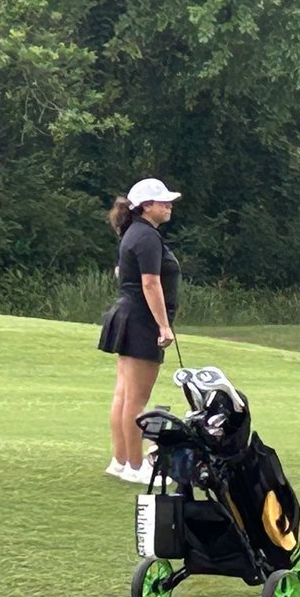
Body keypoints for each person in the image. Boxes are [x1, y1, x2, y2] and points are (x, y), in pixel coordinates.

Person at [98, 177, 182, 484]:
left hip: (129, 316)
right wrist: (163, 325)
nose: (169, 205)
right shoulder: (145, 236)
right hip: (141, 321)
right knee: (136, 399)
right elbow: (150, 282)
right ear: (147, 206)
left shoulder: (136, 233)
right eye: (163, 202)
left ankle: (121, 461)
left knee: (124, 395)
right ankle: (135, 465)